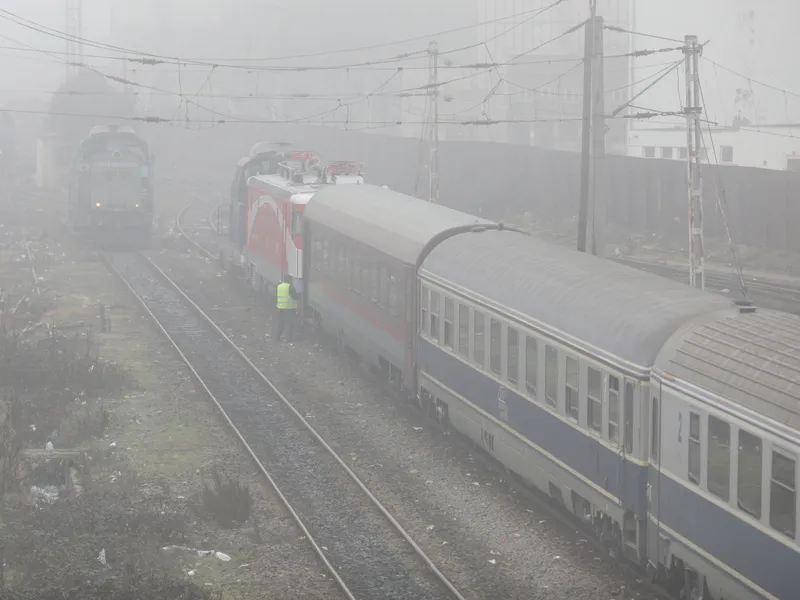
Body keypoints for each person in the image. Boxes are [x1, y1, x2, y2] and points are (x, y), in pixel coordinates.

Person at [274, 274, 298, 343]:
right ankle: (286, 339)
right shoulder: (290, 287)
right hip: (289, 309)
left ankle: (277, 338)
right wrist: (300, 294)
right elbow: (295, 297)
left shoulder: (279, 286)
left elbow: (276, 295)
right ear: (289, 280)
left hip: (280, 308)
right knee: (288, 324)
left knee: (280, 323)